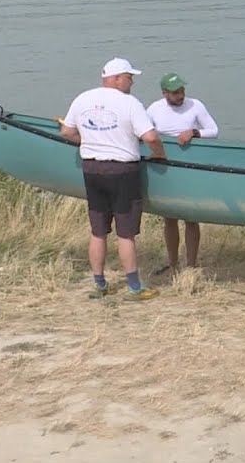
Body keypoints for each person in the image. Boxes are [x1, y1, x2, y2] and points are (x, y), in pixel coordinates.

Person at [60, 57, 167, 301]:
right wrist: (160, 154)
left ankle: (99, 284)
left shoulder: (83, 98)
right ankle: (134, 287)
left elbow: (66, 131)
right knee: (125, 233)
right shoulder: (129, 103)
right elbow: (150, 137)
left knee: (98, 231)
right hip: (122, 171)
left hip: (91, 169)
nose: (132, 82)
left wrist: (88, 141)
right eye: (130, 77)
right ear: (117, 78)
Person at [145, 72, 219, 275]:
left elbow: (214, 130)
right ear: (164, 93)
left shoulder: (195, 105)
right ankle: (172, 263)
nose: (180, 96)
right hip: (166, 167)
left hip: (189, 166)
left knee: (190, 216)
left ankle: (191, 265)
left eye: (182, 91)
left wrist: (194, 132)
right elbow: (143, 131)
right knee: (169, 217)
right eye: (175, 92)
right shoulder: (154, 109)